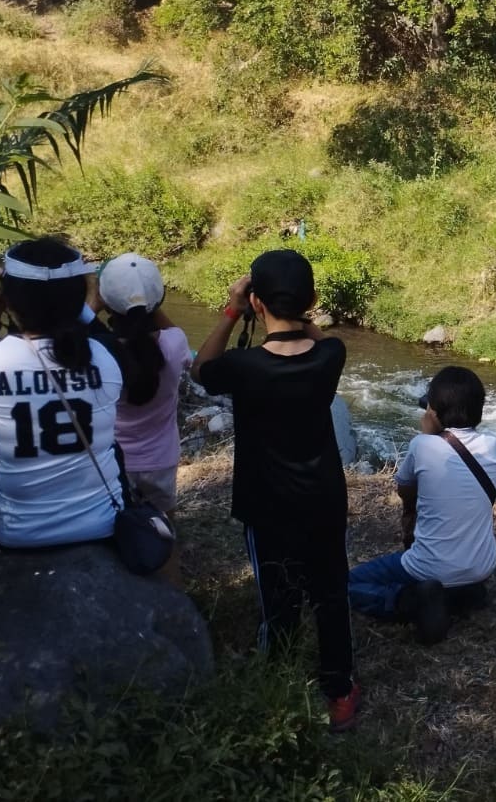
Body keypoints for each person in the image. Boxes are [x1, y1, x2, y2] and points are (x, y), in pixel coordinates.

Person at [191, 249, 359, 732]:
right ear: (312, 301)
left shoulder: (244, 367)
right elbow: (317, 336)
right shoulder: (332, 355)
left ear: (257, 303)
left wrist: (232, 310)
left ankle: (278, 680)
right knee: (331, 593)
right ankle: (340, 691)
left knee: (278, 596)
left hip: (266, 503)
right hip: (323, 498)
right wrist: (295, 314)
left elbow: (202, 369)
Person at [0, 238, 124, 548]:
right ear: (79, 298)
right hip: (101, 521)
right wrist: (85, 301)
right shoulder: (106, 355)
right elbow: (96, 336)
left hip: (17, 531)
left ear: (6, 301)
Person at [347, 366, 496, 644]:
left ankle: (410, 602)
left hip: (429, 566)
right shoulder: (493, 445)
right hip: (482, 565)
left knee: (347, 585)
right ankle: (462, 595)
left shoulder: (422, 445)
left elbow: (405, 490)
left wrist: (429, 434)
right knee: (452, 576)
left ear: (434, 413)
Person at [97, 253, 190, 581]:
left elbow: (77, 330)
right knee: (164, 536)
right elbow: (172, 332)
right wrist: (147, 301)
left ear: (107, 304)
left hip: (114, 464)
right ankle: (176, 607)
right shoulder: (175, 343)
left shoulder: (98, 352)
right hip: (160, 462)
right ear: (160, 299)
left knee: (115, 538)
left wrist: (97, 302)